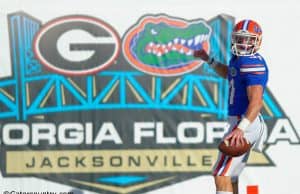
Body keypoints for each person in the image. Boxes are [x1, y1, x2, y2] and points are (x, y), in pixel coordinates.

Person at [194, 19, 268, 194]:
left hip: (244, 120)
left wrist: (241, 128)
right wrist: (208, 59)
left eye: (248, 39)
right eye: (240, 38)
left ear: (257, 41)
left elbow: (256, 102)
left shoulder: (251, 63)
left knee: (221, 174)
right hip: (245, 121)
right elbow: (230, 73)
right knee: (230, 176)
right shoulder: (240, 59)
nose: (243, 43)